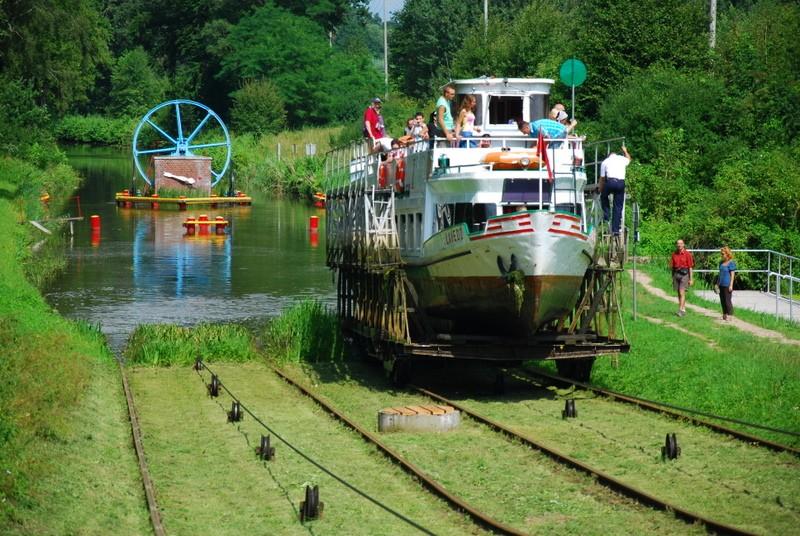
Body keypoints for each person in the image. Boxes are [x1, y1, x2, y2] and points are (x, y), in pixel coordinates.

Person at [599, 144, 632, 236]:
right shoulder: (621, 158)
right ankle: (615, 230)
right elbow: (629, 159)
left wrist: (600, 189)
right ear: (615, 155)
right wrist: (625, 151)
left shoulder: (605, 161)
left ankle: (607, 215)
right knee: (618, 206)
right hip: (621, 184)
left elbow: (602, 178)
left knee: (604, 196)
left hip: (610, 182)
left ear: (609, 155)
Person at [669, 239, 695, 317]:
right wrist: (672, 278)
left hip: (685, 275)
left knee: (682, 292)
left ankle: (680, 310)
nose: (679, 245)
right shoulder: (674, 254)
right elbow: (672, 267)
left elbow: (690, 267)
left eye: (681, 243)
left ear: (683, 245)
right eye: (678, 244)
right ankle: (683, 309)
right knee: (678, 293)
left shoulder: (688, 254)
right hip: (676, 274)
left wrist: (691, 279)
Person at [718, 246, 737, 321]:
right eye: (721, 254)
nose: (722, 255)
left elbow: (732, 275)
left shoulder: (731, 263)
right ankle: (724, 314)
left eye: (723, 254)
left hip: (727, 284)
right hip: (721, 284)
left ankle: (730, 315)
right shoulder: (721, 263)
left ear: (727, 254)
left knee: (727, 300)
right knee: (722, 300)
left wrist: (731, 285)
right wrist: (717, 283)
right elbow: (720, 274)